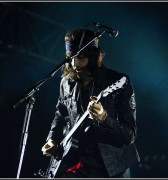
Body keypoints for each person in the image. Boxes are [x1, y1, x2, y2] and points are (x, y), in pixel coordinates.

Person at [41, 28, 140, 178]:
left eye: (81, 57)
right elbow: (60, 114)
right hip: (78, 162)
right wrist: (52, 139)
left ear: (93, 57)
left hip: (111, 167)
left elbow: (129, 135)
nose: (75, 63)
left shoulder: (118, 82)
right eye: (71, 57)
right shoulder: (66, 83)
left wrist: (104, 118)